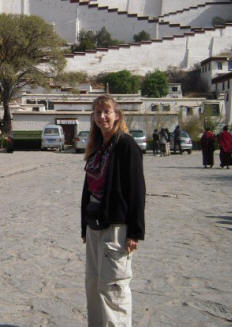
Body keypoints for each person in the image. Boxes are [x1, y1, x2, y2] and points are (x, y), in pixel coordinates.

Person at [81, 95, 146, 326]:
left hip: (116, 228)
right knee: (93, 284)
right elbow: (88, 189)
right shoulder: (98, 148)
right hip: (94, 226)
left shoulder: (126, 146)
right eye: (97, 113)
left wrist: (135, 232)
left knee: (112, 288)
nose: (102, 117)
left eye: (106, 112)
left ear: (117, 115)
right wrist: (84, 226)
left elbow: (137, 190)